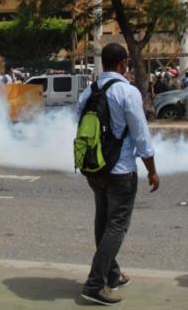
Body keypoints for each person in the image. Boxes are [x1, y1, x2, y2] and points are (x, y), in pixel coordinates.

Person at [78, 43, 160, 306]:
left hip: (94, 168)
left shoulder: (88, 92)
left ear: (104, 62)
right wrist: (152, 170)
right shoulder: (127, 92)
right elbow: (141, 135)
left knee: (103, 221)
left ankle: (112, 274)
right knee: (116, 226)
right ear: (123, 63)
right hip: (120, 170)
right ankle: (95, 284)